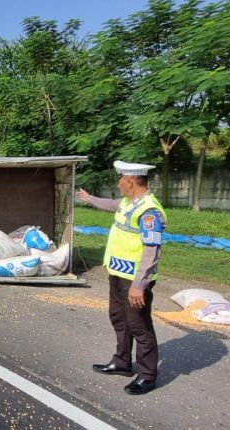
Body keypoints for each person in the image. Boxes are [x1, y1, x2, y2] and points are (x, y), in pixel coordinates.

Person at [76, 160, 166, 396]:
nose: (118, 183)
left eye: (120, 179)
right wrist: (89, 198)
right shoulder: (129, 203)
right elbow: (111, 204)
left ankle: (147, 376)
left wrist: (139, 285)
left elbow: (151, 249)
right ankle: (122, 362)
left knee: (139, 325)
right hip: (117, 273)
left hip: (135, 280)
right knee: (119, 318)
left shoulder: (149, 211)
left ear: (129, 181)